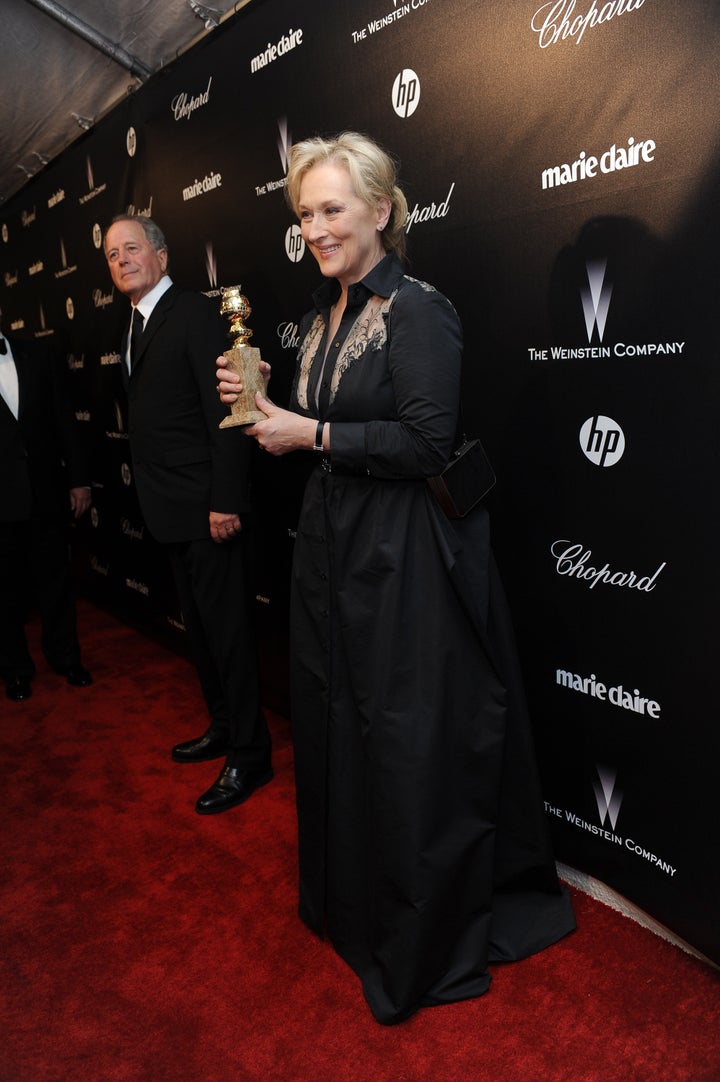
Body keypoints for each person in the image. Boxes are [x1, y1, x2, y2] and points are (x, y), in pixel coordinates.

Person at [217, 132, 575, 1023]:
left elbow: (424, 441)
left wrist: (312, 436)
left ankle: (420, 933)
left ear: (381, 210)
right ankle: (361, 907)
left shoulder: (419, 310)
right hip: (336, 547)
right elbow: (323, 423)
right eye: (306, 212)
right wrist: (267, 409)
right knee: (347, 722)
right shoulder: (325, 312)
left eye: (333, 208)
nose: (318, 226)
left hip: (409, 552)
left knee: (408, 737)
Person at [103, 215, 271, 814]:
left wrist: (225, 499)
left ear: (161, 256)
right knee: (201, 633)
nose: (121, 260)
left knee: (227, 635)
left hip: (208, 510)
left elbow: (231, 412)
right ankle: (224, 728)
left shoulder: (198, 316)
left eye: (131, 248)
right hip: (168, 510)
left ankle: (251, 756)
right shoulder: (133, 323)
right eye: (111, 254)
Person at [0, 306, 92, 701]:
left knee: (55, 579)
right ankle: (15, 669)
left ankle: (66, 657)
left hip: (46, 492)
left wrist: (78, 480)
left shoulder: (38, 354)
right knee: (3, 591)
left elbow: (64, 421)